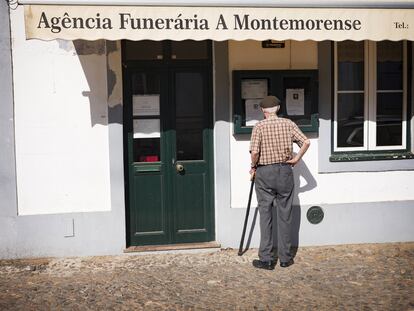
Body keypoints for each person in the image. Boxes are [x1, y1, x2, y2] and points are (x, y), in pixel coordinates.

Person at [249, 95, 310, 270]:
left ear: (263, 111)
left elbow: (254, 152)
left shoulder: (259, 126)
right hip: (284, 171)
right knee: (285, 214)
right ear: (277, 108)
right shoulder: (288, 124)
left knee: (265, 214)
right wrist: (296, 158)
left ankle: (267, 259)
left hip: (264, 172)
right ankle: (285, 258)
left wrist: (253, 167)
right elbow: (306, 141)